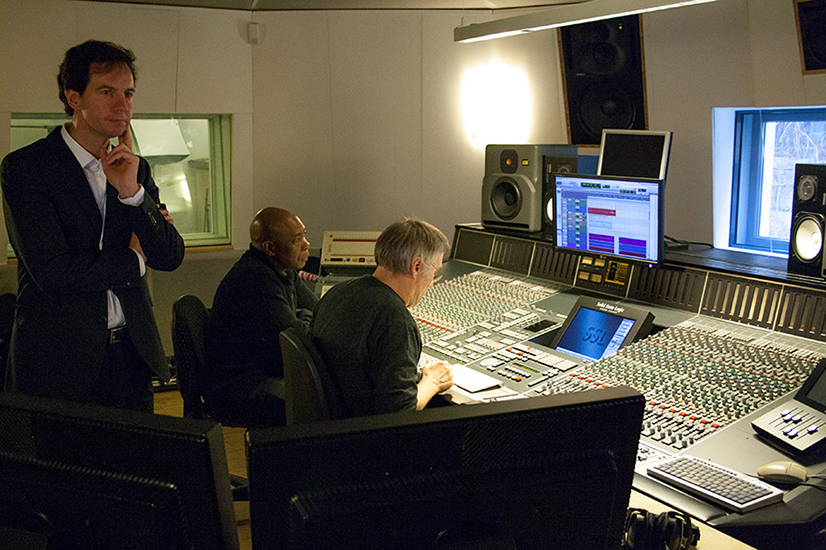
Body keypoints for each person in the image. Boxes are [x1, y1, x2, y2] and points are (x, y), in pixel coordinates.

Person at [0, 40, 185, 411]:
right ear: (74, 98)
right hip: (59, 362)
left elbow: (169, 256)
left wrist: (132, 193)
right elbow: (52, 272)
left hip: (132, 354)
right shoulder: (27, 168)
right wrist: (133, 261)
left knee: (135, 467)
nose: (123, 105)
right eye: (107, 92)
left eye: (128, 93)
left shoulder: (135, 168)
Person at [311, 218, 454, 418]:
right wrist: (433, 381)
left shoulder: (338, 292)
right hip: (368, 436)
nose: (431, 284)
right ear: (417, 267)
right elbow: (401, 411)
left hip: (331, 427)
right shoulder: (394, 319)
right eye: (435, 272)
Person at [203, 207, 316, 426]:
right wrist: (307, 317)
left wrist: (306, 316)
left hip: (263, 372)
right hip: (238, 386)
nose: (307, 244)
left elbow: (316, 308)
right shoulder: (255, 278)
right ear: (270, 248)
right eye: (297, 240)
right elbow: (297, 339)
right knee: (313, 399)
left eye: (304, 235)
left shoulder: (283, 270)